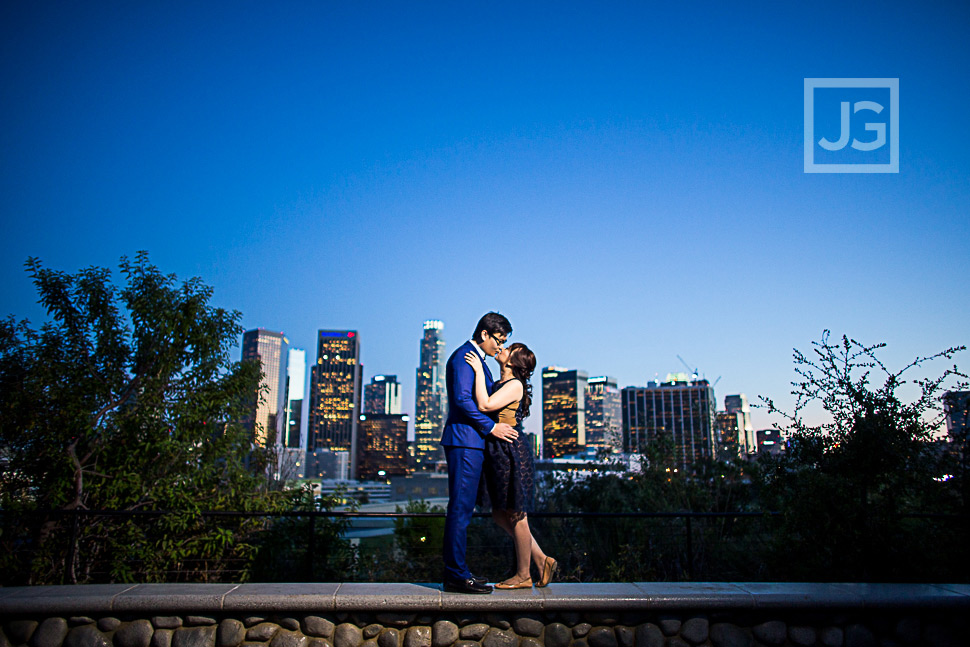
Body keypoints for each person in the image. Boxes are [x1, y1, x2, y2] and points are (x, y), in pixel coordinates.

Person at [464, 341, 557, 589]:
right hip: (498, 450)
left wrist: (475, 371)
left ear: (513, 363)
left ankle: (524, 575)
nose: (502, 349)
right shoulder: (502, 382)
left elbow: (484, 406)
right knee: (498, 513)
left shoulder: (514, 384)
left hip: (510, 451)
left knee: (517, 513)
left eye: (508, 350)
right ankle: (541, 559)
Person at [440, 312, 519, 594]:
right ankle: (456, 576)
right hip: (464, 442)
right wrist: (491, 428)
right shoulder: (464, 357)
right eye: (499, 341)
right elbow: (461, 400)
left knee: (464, 510)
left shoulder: (476, 360)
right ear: (485, 334)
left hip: (471, 443)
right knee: (460, 510)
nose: (500, 348)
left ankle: (459, 572)